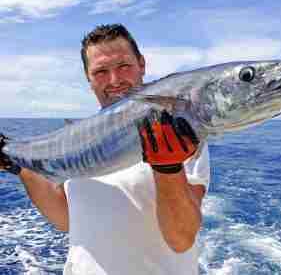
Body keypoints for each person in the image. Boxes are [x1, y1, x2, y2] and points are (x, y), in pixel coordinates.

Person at [0, 24, 210, 275]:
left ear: (141, 64)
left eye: (124, 66)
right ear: (88, 78)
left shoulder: (183, 136)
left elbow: (181, 239)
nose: (115, 80)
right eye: (101, 71)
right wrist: (17, 165)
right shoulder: (79, 139)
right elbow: (67, 219)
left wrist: (167, 168)